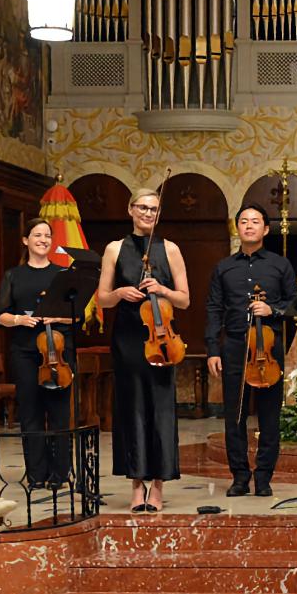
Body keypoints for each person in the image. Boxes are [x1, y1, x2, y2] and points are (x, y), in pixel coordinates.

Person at [96, 188, 190, 513]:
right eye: (143, 208)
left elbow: (185, 299)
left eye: (154, 209)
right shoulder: (114, 249)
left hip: (162, 338)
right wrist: (120, 292)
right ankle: (137, 486)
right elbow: (101, 299)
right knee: (131, 409)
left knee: (161, 409)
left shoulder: (171, 249)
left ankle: (159, 486)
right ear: (131, 210)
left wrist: (162, 289)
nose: (148, 214)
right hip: (127, 338)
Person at [206, 204, 297, 498]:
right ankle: (240, 477)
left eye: (255, 222)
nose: (248, 226)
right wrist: (212, 349)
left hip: (268, 345)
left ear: (265, 229)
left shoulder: (280, 265)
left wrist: (273, 308)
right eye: (243, 221)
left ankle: (264, 476)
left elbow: (294, 306)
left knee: (270, 415)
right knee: (235, 415)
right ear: (237, 228)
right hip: (233, 345)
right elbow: (214, 309)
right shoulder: (224, 267)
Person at [0, 219, 74, 491]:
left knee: (60, 412)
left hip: (59, 350)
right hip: (26, 352)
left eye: (48, 235)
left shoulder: (63, 273)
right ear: (26, 240)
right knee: (30, 413)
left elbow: (77, 317)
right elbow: (0, 316)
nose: (43, 239)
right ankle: (36, 474)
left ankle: (60, 474)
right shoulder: (13, 275)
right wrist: (18, 320)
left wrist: (58, 316)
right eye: (37, 235)